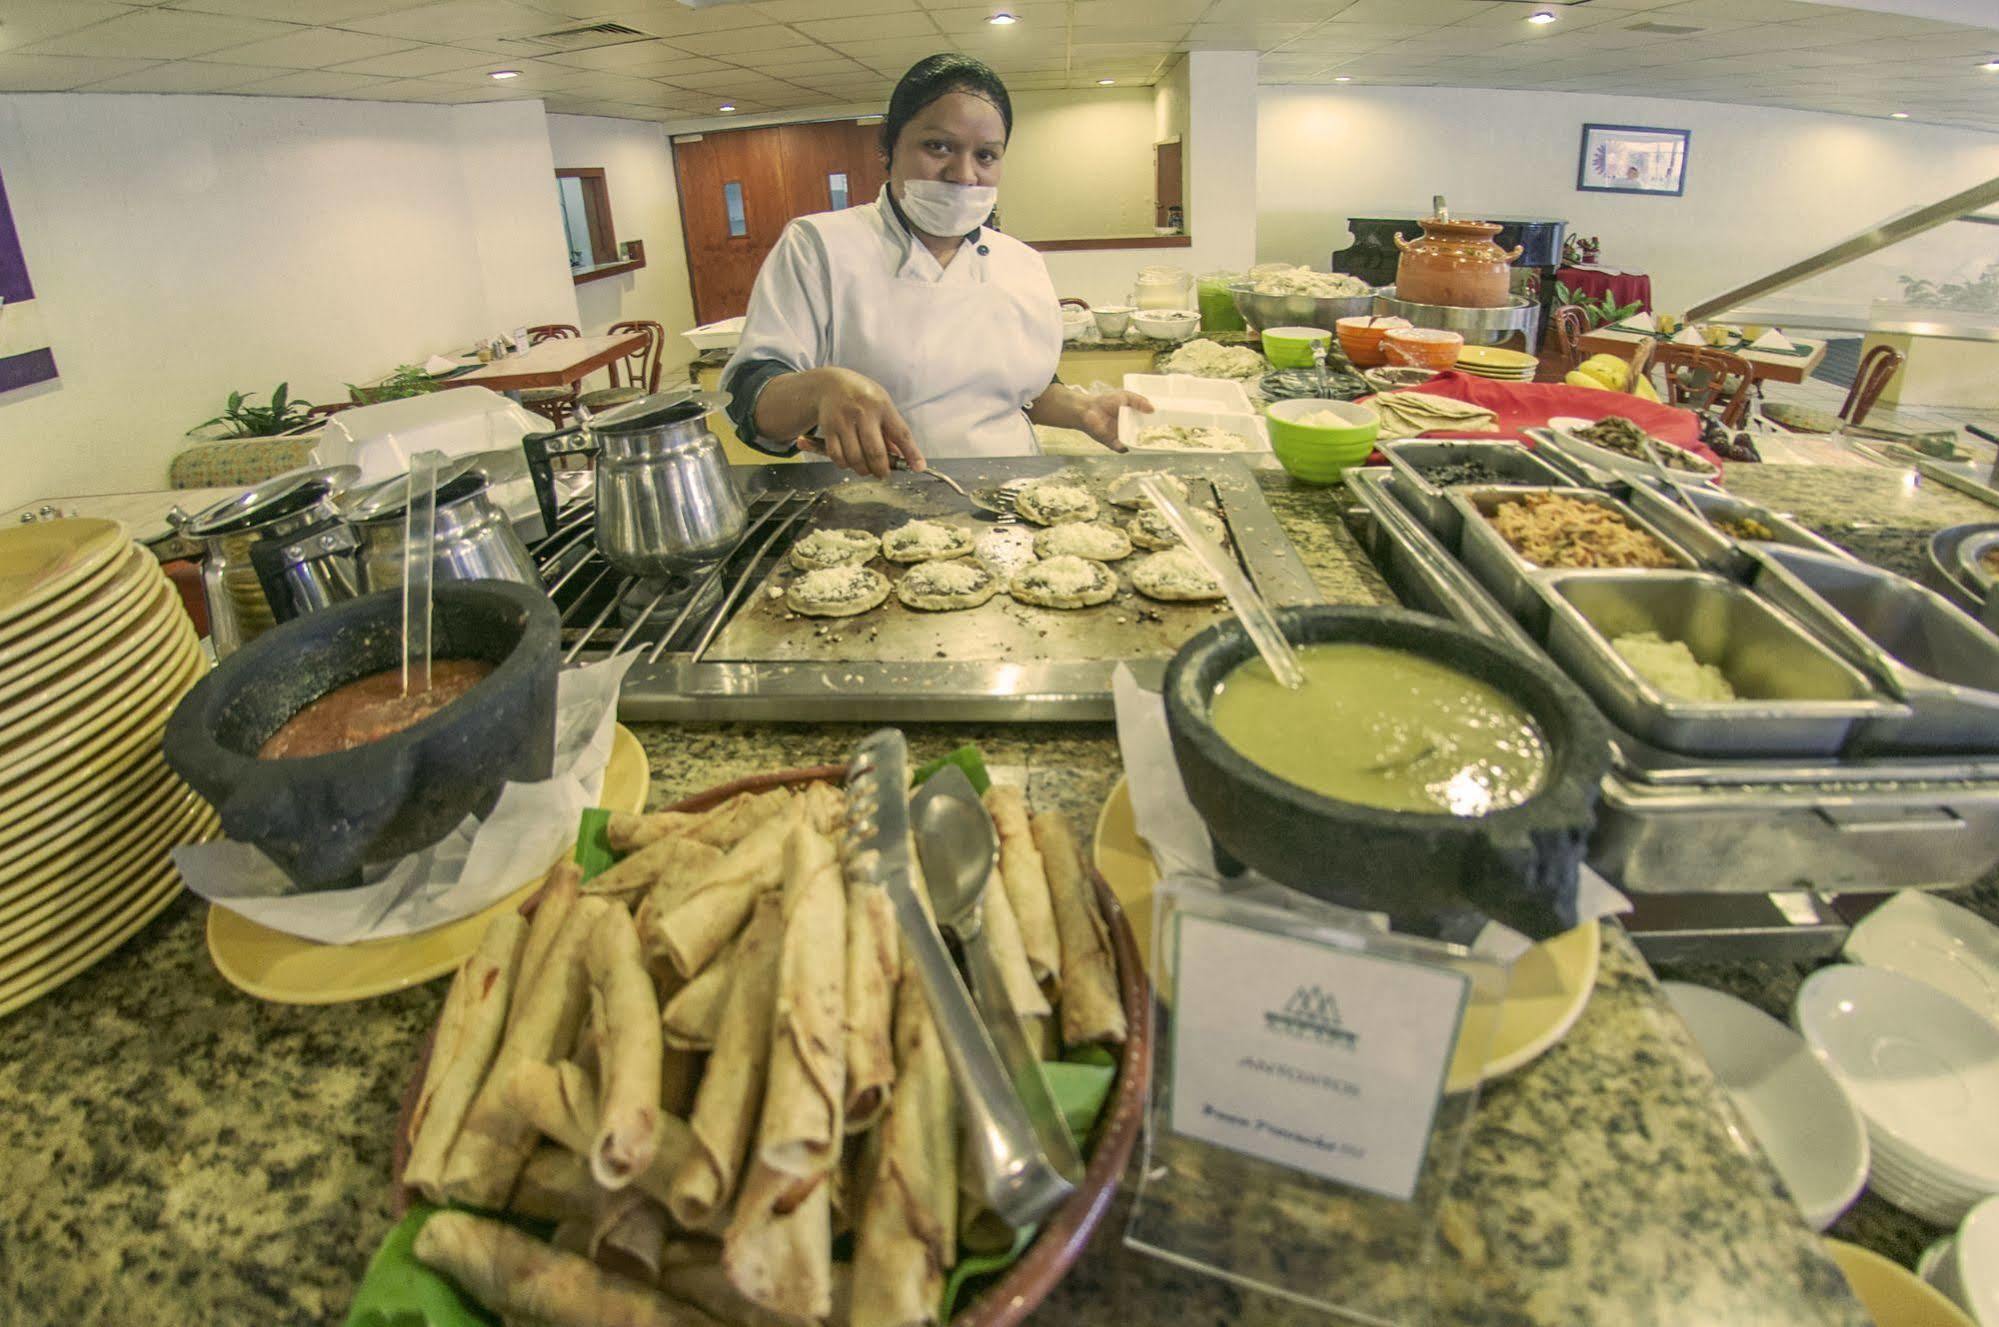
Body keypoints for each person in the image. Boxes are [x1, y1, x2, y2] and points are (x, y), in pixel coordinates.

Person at [721, 54, 1152, 478]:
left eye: (986, 155)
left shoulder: (1021, 263)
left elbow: (1024, 391)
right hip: (872, 506)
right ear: (888, 146)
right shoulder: (821, 246)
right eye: (938, 146)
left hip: (1009, 499)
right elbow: (750, 401)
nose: (963, 174)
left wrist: (1083, 409)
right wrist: (819, 391)